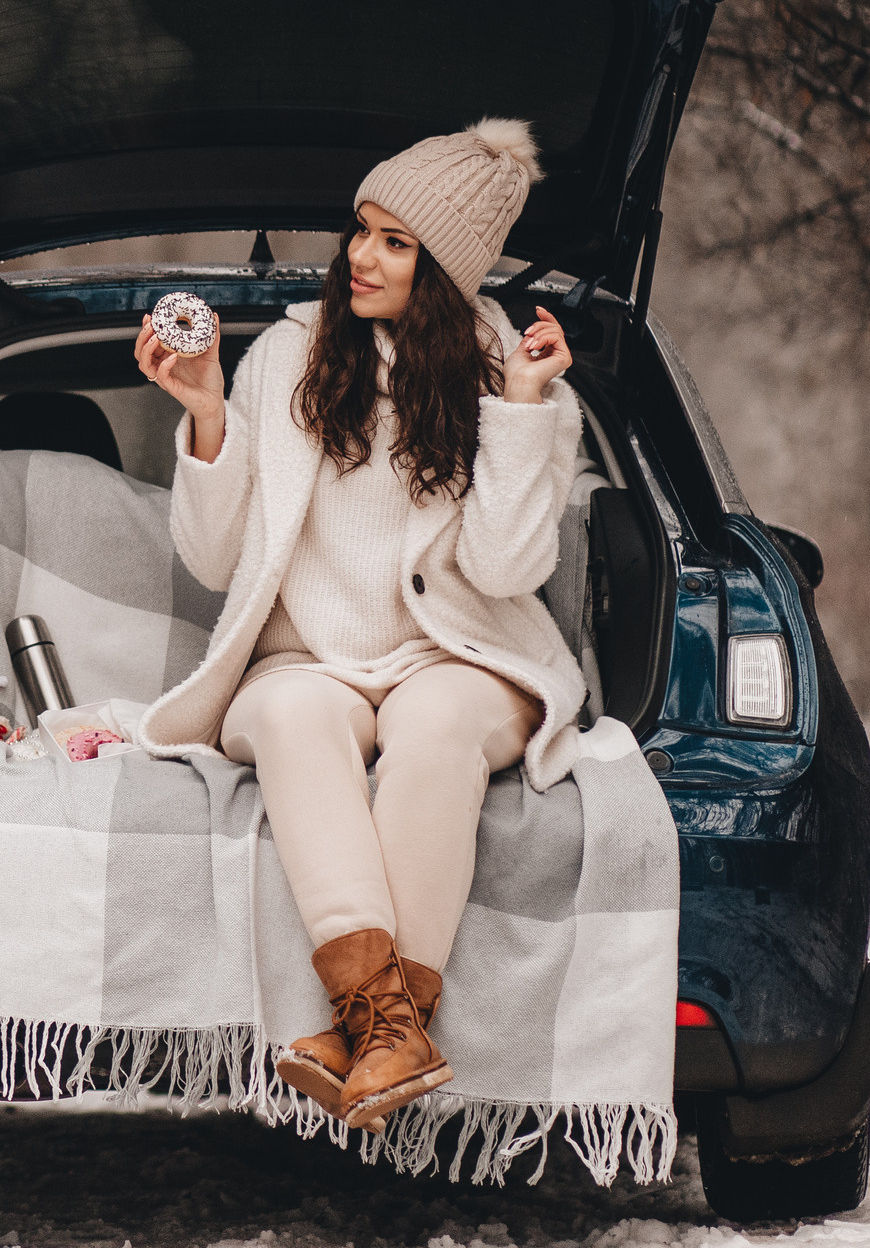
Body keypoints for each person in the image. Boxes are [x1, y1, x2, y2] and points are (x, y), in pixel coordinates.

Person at [132, 118, 585, 1132]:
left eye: (396, 242)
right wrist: (207, 413)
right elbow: (214, 564)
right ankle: (391, 1029)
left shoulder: (511, 375)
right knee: (291, 718)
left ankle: (373, 1031)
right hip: (309, 659)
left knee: (435, 730)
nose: (362, 258)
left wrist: (519, 407)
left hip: (460, 655)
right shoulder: (283, 357)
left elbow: (508, 568)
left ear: (444, 273)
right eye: (361, 230)